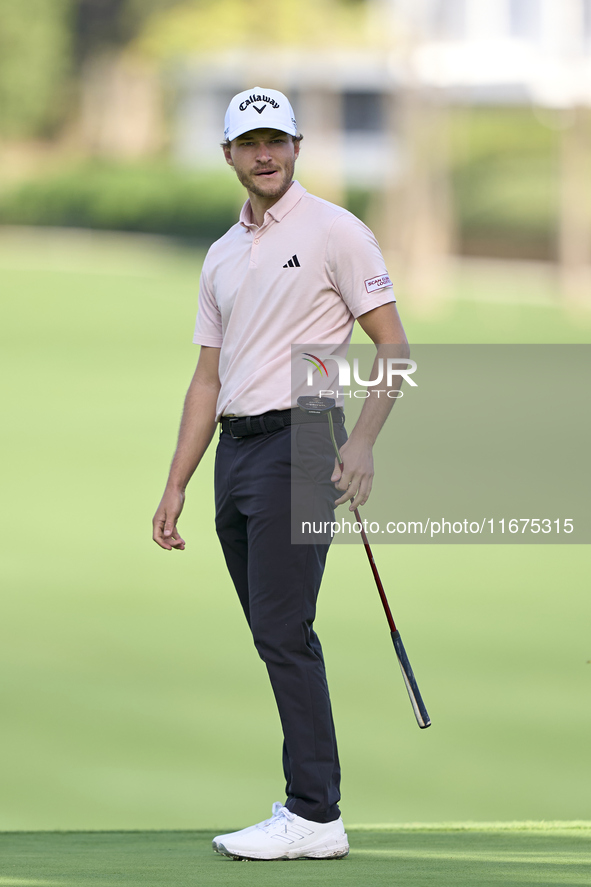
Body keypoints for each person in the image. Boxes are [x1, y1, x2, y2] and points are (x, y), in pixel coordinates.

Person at [152, 86, 409, 861]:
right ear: (227, 154)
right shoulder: (223, 253)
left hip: (301, 439)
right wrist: (176, 482)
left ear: (296, 146)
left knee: (284, 630)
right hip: (236, 451)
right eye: (249, 143)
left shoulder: (336, 231)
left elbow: (393, 347)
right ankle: (307, 805)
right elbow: (208, 378)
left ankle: (313, 812)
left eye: (277, 141)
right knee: (273, 631)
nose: (264, 155)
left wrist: (360, 441)